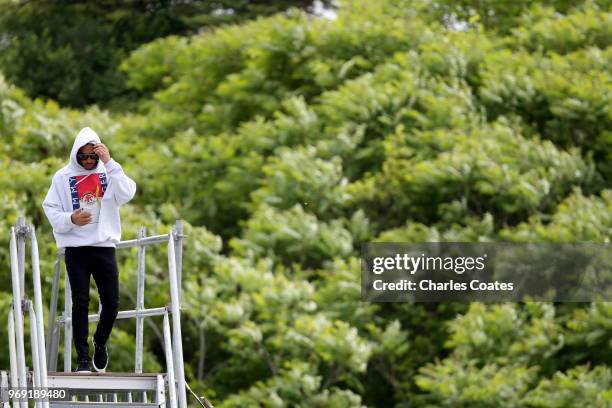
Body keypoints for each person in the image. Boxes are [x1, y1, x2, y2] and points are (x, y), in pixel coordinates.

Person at [42, 127, 136, 372]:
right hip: (76, 249)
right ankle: (82, 358)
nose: (87, 161)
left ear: (99, 154)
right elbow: (50, 208)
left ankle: (100, 343)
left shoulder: (109, 172)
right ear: (75, 154)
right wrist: (70, 219)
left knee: (112, 303)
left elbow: (127, 193)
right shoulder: (62, 177)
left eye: (92, 156)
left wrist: (110, 162)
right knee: (80, 302)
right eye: (82, 156)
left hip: (104, 245)